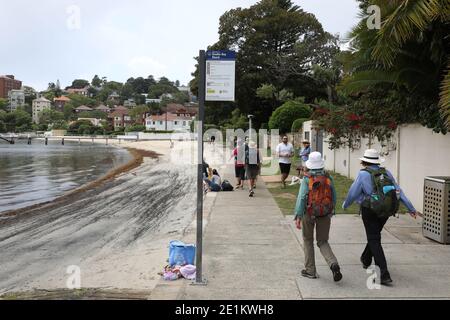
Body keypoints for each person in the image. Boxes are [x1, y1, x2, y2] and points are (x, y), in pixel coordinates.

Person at [343, 149, 418, 285]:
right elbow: (398, 191)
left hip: (370, 210)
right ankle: (366, 259)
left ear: (364, 161)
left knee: (374, 238)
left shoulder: (363, 174)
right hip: (385, 210)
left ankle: (384, 273)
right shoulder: (386, 173)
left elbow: (353, 192)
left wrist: (345, 204)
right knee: (374, 236)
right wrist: (410, 208)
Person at [294, 152, 342, 282]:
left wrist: (298, 216)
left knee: (308, 240)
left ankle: (310, 270)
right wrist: (331, 211)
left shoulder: (306, 179)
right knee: (322, 241)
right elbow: (334, 196)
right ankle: (333, 264)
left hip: (308, 214)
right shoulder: (328, 178)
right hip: (325, 213)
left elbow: (302, 198)